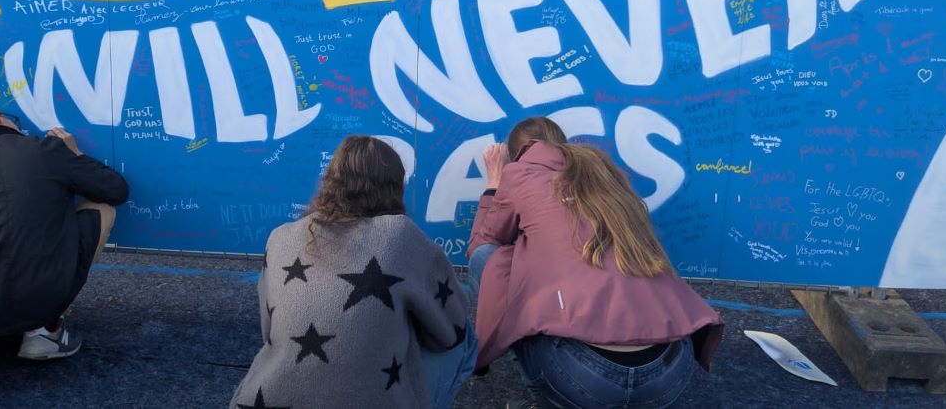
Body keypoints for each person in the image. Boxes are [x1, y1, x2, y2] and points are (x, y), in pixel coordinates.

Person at [468, 117, 724, 409]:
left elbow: (483, 244)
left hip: (585, 381)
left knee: (490, 258)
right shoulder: (606, 173)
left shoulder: (519, 172)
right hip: (668, 377)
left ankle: (549, 396)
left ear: (520, 154)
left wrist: (494, 185)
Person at [231, 135, 477, 408]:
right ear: (395, 186)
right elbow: (452, 328)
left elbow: (270, 332)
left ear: (330, 180)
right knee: (467, 339)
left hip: (268, 397)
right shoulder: (400, 234)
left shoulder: (280, 237)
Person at [0, 103, 129, 406]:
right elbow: (116, 189)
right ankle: (43, 330)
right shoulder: (47, 150)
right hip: (40, 292)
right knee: (101, 209)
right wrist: (75, 156)